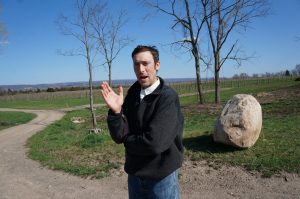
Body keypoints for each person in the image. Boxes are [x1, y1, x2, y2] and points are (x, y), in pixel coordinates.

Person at [100, 45, 184, 199]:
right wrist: (116, 112)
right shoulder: (132, 94)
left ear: (157, 65)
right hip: (135, 176)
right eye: (136, 64)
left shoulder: (167, 98)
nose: (141, 69)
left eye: (146, 63)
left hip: (161, 177)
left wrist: (128, 140)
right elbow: (119, 136)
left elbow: (154, 143)